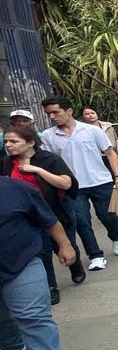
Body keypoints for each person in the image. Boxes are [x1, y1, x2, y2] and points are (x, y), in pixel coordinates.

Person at [0, 174, 77, 350]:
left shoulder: (16, 189)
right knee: (2, 316)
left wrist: (65, 245)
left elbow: (48, 220)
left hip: (22, 261)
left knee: (32, 314)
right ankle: (12, 348)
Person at [41, 96, 118, 272]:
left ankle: (117, 236)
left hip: (101, 182)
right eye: (48, 113)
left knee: (108, 215)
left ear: (69, 111)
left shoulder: (91, 130)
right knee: (81, 222)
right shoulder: (48, 136)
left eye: (55, 112)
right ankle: (95, 255)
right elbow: (47, 162)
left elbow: (110, 153)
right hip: (72, 187)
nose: (52, 117)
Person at [2, 125, 83, 303]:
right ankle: (51, 286)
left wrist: (37, 170)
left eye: (14, 141)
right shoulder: (7, 163)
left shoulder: (49, 159)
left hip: (55, 211)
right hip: (27, 217)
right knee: (42, 250)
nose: (8, 145)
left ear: (31, 142)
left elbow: (66, 184)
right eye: (6, 141)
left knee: (64, 243)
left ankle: (75, 267)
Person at [81, 106, 118, 215]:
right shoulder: (82, 130)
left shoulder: (107, 125)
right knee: (107, 184)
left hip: (112, 156)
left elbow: (116, 138)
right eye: (87, 114)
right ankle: (110, 209)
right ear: (83, 117)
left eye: (92, 112)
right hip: (96, 159)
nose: (90, 115)